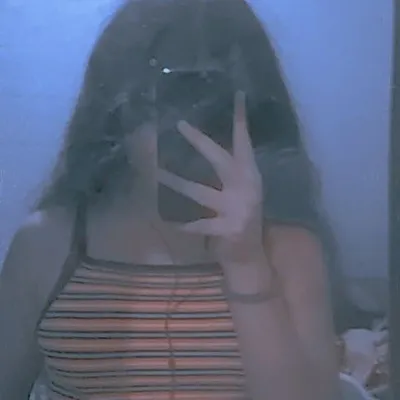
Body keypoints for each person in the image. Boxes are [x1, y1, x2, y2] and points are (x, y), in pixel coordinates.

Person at [0, 1, 349, 399]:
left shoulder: (288, 250)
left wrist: (246, 264)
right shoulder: (47, 245)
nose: (187, 129)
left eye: (211, 109)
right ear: (117, 112)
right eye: (167, 102)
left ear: (250, 116)